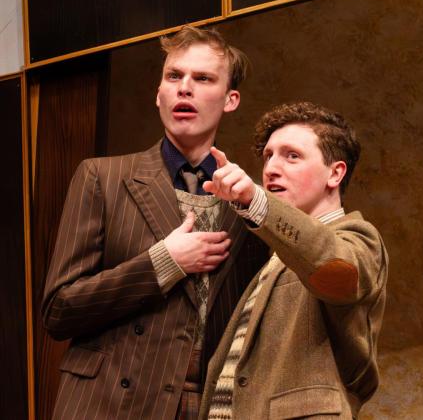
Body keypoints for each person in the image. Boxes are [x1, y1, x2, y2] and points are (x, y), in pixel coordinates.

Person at [41, 26, 269, 419]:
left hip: (205, 407)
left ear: (230, 100)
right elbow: (59, 312)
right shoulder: (103, 177)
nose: (184, 88)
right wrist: (164, 262)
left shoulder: (251, 204)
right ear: (158, 94)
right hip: (110, 403)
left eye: (202, 79)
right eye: (174, 76)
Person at [199, 101, 388, 419]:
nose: (271, 167)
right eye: (268, 156)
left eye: (292, 156)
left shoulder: (359, 238)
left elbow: (335, 270)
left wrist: (256, 201)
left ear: (335, 173)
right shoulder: (275, 256)